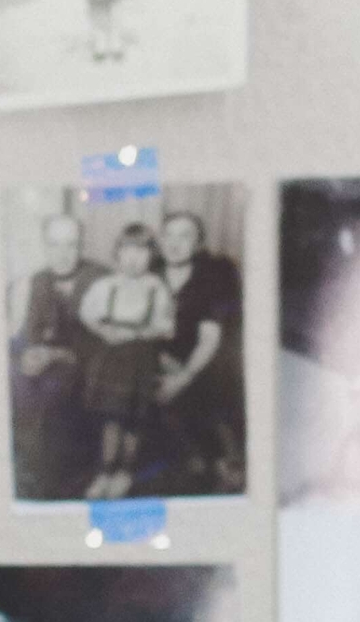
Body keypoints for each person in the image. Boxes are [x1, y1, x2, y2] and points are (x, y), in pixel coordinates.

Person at [75, 222, 176, 499]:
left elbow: (166, 326)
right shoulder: (105, 285)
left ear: (151, 255)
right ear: (117, 254)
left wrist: (137, 333)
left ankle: (125, 471)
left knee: (134, 421)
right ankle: (105, 471)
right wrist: (105, 330)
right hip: (110, 359)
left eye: (141, 252)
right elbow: (87, 313)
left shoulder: (155, 287)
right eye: (127, 250)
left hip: (140, 360)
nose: (133, 259)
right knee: (111, 419)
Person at [6, 210, 100, 499]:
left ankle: (47, 481)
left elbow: (105, 343)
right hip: (39, 360)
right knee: (15, 380)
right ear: (44, 246)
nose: (63, 253)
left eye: (71, 244)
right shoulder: (31, 282)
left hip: (84, 364)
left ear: (81, 246)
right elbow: (17, 333)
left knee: (51, 390)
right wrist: (26, 355)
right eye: (55, 245)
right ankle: (25, 475)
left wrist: (56, 355)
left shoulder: (101, 279)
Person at [150, 205, 243, 495]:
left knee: (207, 386)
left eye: (185, 236)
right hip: (157, 357)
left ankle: (221, 461)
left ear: (198, 243)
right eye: (169, 235)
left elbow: (210, 338)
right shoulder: (149, 271)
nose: (175, 243)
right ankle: (195, 457)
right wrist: (160, 358)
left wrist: (183, 376)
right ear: (160, 240)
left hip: (203, 359)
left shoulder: (215, 276)